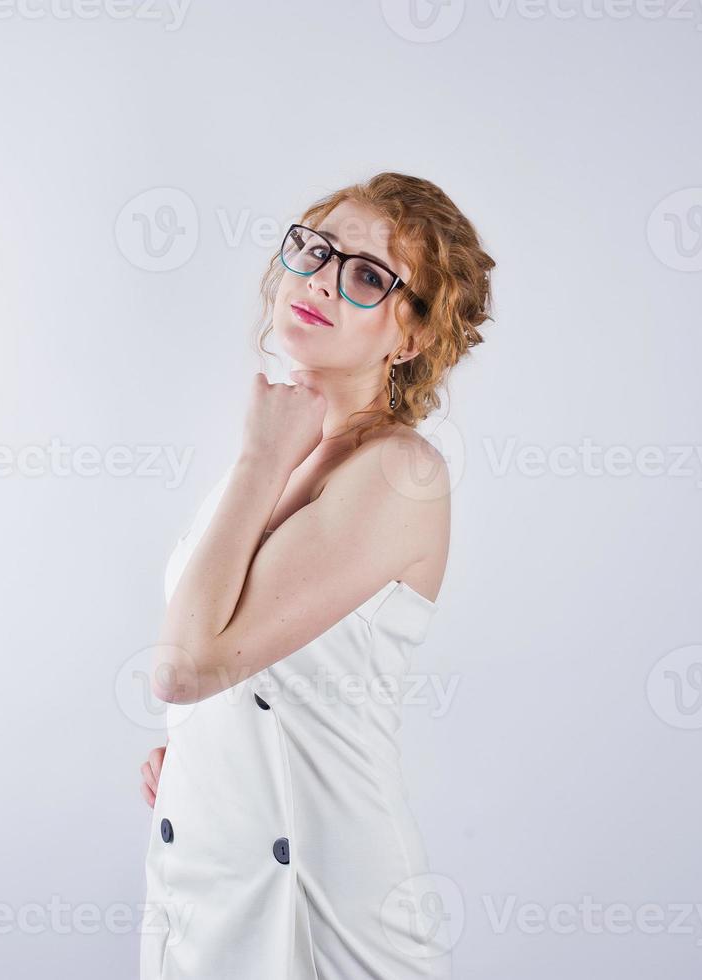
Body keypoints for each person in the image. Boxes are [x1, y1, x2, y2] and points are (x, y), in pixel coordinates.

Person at [138, 171, 496, 979]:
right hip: (202, 878)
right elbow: (223, 664)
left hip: (321, 899)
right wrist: (203, 758)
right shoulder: (287, 447)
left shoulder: (399, 471)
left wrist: (261, 455)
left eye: (369, 275)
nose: (322, 280)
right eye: (315, 249)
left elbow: (183, 665)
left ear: (409, 337)